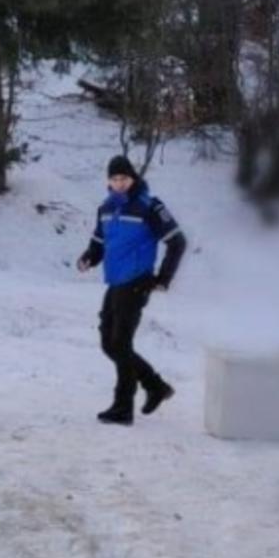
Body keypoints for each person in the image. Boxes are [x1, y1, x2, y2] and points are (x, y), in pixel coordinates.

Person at [76, 155, 187, 425]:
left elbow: (178, 242)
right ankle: (155, 386)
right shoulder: (105, 208)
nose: (119, 184)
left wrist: (163, 278)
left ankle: (123, 407)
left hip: (137, 281)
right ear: (108, 182)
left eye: (124, 178)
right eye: (114, 179)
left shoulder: (149, 206)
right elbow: (98, 242)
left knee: (121, 344)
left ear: (133, 178)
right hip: (115, 281)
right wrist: (89, 257)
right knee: (108, 343)